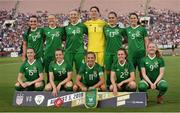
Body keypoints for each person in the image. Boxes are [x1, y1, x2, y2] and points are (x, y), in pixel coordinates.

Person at [103, 11, 126, 88]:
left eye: (113, 18)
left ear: (116, 19)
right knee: (108, 70)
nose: (111, 19)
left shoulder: (120, 29)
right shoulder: (105, 28)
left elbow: (127, 38)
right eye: (109, 18)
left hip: (118, 53)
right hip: (108, 53)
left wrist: (121, 44)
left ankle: (120, 85)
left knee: (119, 69)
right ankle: (109, 85)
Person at [125, 13, 149, 78]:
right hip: (131, 55)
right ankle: (132, 86)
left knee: (142, 72)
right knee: (131, 72)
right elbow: (124, 40)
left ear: (137, 19)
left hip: (141, 54)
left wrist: (147, 51)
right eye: (131, 18)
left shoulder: (142, 29)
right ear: (129, 19)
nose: (133, 19)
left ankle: (143, 85)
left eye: (134, 18)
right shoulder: (127, 29)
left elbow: (146, 41)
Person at [43, 14, 65, 82]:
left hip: (58, 54)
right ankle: (49, 83)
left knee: (60, 69)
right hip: (48, 53)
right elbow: (42, 40)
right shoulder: (44, 30)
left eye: (52, 18)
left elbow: (66, 38)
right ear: (47, 20)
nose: (51, 20)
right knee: (48, 70)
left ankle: (61, 83)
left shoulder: (61, 29)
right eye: (49, 19)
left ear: (56, 19)